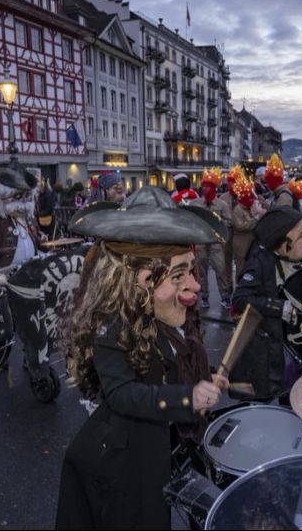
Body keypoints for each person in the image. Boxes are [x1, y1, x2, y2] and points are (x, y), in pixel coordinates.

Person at [56, 187, 229, 529]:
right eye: (179, 275)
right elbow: (123, 394)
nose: (195, 286)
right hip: (122, 460)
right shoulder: (112, 323)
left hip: (161, 447)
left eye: (192, 271)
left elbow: (171, 365)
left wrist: (203, 378)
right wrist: (186, 397)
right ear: (141, 279)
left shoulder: (166, 312)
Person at [232, 206, 302, 398]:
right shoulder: (259, 261)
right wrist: (279, 307)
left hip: (278, 343)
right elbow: (240, 299)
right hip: (261, 353)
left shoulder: (281, 257)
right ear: (283, 242)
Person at [0, 161, 43, 272]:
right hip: (6, 276)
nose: (24, 202)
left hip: (31, 271)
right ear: (2, 198)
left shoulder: (28, 218)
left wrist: (45, 243)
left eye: (27, 196)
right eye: (18, 196)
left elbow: (37, 241)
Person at [191, 168, 232, 309]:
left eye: (208, 186)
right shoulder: (196, 203)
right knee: (201, 269)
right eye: (203, 185)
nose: (205, 188)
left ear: (214, 188)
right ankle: (204, 296)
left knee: (220, 269)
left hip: (216, 242)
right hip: (201, 241)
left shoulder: (222, 205)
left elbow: (229, 222)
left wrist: (217, 223)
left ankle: (225, 296)